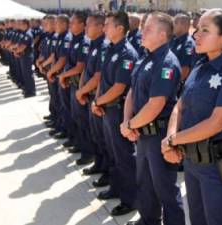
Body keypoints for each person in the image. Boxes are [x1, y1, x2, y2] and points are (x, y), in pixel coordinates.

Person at [161, 8, 222, 225]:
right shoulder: (201, 64)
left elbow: (216, 123)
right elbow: (180, 105)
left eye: (205, 30)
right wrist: (171, 138)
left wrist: (173, 140)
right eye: (197, 29)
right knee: (198, 219)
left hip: (216, 166)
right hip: (192, 160)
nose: (196, 35)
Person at [119, 12, 186, 225]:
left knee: (165, 188)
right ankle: (148, 220)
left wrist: (130, 124)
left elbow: (156, 105)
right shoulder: (145, 57)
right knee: (145, 183)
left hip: (158, 134)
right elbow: (132, 91)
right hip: (142, 133)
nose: (141, 32)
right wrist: (127, 122)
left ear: (162, 34)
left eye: (147, 29)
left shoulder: (166, 63)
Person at [91, 11, 138, 216]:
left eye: (108, 24)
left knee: (124, 156)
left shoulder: (127, 53)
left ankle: (130, 199)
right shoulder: (110, 48)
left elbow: (119, 87)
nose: (104, 28)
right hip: (106, 108)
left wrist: (98, 101)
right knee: (112, 152)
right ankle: (116, 188)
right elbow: (103, 79)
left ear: (120, 28)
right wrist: (99, 100)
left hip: (118, 110)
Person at [76, 13, 110, 187]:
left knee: (103, 139)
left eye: (89, 25)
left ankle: (107, 173)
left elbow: (98, 77)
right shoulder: (93, 45)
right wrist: (81, 90)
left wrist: (85, 92)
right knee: (95, 136)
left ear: (99, 27)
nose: (86, 28)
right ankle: (98, 164)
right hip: (89, 96)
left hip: (98, 100)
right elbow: (86, 71)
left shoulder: (103, 47)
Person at [58, 11, 93, 165]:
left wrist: (63, 75)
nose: (70, 25)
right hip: (73, 84)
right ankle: (79, 144)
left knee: (83, 121)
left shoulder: (84, 42)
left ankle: (88, 152)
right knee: (76, 117)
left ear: (82, 24)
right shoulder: (74, 40)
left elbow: (80, 67)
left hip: (79, 85)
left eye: (73, 23)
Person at [170, 13, 195, 82]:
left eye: (175, 23)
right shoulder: (174, 40)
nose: (172, 26)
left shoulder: (188, 44)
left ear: (183, 25)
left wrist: (173, 84)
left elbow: (185, 70)